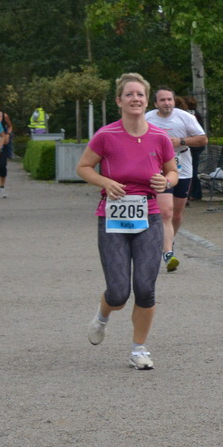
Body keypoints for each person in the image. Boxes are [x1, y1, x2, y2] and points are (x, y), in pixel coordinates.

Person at [76, 72, 179, 371]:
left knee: (146, 289)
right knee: (119, 292)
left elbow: (172, 171)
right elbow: (83, 167)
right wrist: (106, 182)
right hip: (112, 219)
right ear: (119, 100)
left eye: (140, 95)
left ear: (146, 101)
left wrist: (166, 181)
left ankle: (138, 349)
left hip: (148, 215)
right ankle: (102, 316)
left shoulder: (159, 137)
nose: (136, 99)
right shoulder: (106, 135)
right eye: (130, 94)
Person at [144, 88, 208, 272]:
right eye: (162, 100)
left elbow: (203, 139)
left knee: (177, 214)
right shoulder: (148, 119)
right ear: (155, 103)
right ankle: (168, 253)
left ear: (174, 100)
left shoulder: (185, 117)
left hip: (182, 168)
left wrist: (180, 142)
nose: (167, 103)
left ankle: (169, 240)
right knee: (165, 212)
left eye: (169, 99)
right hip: (159, 169)